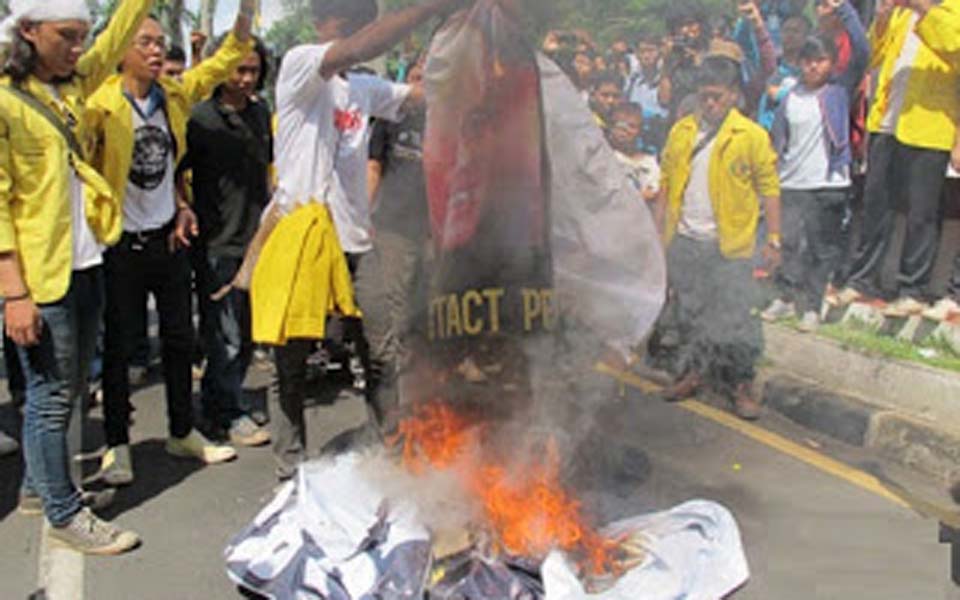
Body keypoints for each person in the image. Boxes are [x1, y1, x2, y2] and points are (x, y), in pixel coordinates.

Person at [223, 0, 467, 483]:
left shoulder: (362, 87)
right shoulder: (300, 64)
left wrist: (464, 44)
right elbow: (361, 48)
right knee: (290, 362)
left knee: (381, 353)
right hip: (300, 241)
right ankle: (291, 470)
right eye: (353, 26)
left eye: (363, 26)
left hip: (356, 244)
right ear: (325, 24)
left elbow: (418, 96)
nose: (360, 36)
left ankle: (390, 460)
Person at [0, 0, 153, 554]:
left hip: (86, 263)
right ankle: (65, 514)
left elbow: (118, 37)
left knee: (66, 393)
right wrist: (13, 292)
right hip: (41, 279)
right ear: (28, 32)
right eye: (66, 35)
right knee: (50, 397)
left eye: (81, 36)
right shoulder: (5, 102)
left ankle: (40, 493)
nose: (77, 47)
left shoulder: (71, 86)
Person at [88, 2, 257, 486]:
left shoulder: (172, 98)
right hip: (120, 246)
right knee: (119, 349)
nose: (157, 49)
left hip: (168, 241)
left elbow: (222, 63)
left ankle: (182, 431)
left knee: (181, 341)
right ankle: (117, 445)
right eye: (145, 42)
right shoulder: (100, 105)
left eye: (160, 42)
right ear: (120, 52)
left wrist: (246, 13)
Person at [655, 56, 782, 420]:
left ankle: (741, 386)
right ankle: (692, 374)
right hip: (686, 240)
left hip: (731, 247)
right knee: (690, 314)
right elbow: (666, 186)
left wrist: (774, 238)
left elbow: (770, 189)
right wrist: (657, 234)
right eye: (704, 97)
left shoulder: (751, 137)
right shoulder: (681, 132)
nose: (710, 104)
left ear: (734, 96)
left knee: (735, 320)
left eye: (717, 97)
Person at [834, 0, 960, 316]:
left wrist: (920, 8)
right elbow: (874, 57)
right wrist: (881, 18)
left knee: (921, 213)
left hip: (930, 127)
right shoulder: (900, 15)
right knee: (876, 204)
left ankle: (912, 290)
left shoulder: (952, 10)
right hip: (887, 122)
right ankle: (862, 280)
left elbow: (954, 47)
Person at [183, 36, 273, 446]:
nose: (246, 79)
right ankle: (223, 413)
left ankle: (227, 399)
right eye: (238, 70)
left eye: (253, 70)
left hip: (257, 238)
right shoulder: (199, 118)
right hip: (217, 241)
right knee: (226, 334)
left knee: (247, 333)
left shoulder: (259, 112)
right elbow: (174, 174)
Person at [763, 0, 869, 332]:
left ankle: (813, 305)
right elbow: (779, 139)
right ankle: (786, 297)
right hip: (792, 182)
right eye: (808, 61)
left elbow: (863, 52)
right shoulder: (791, 95)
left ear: (832, 63)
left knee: (822, 249)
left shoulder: (838, 91)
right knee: (790, 243)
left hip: (828, 184)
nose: (813, 67)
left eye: (820, 60)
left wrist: (845, 12)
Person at [757, 14, 811, 130]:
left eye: (796, 31)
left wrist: (781, 94)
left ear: (807, 37)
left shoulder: (811, 72)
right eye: (786, 30)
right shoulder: (771, 67)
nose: (790, 35)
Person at [607, 102, 660, 207]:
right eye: (620, 125)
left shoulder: (650, 162)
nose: (625, 131)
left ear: (640, 130)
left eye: (632, 126)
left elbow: (654, 192)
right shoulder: (607, 158)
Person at [624, 32, 669, 151]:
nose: (646, 56)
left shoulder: (664, 80)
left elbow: (665, 100)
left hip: (657, 142)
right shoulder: (632, 81)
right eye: (642, 51)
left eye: (651, 51)